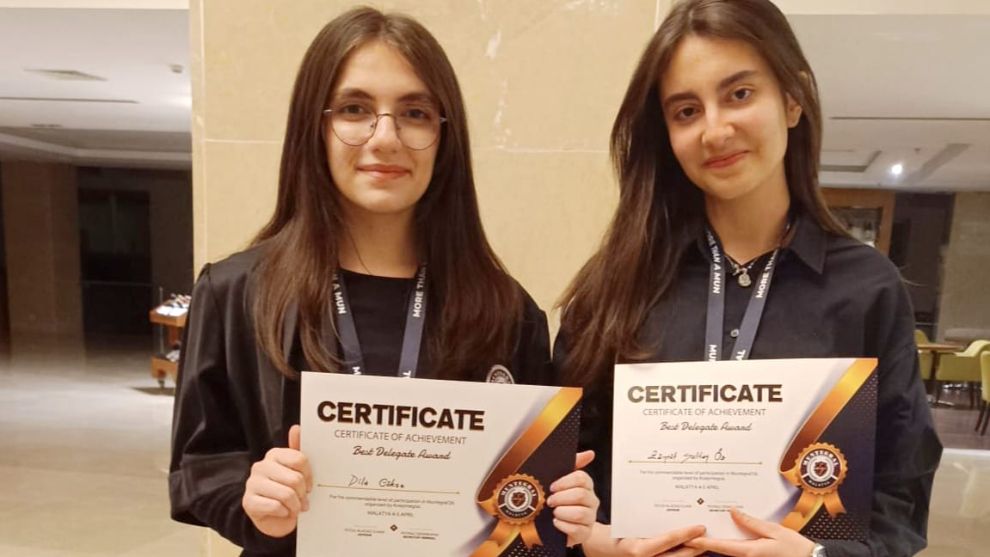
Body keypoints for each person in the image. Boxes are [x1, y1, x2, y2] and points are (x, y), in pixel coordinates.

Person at [169, 7, 598, 556]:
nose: (386, 137)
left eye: (415, 113)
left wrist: (564, 506)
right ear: (314, 127)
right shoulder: (235, 293)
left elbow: (523, 508)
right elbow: (201, 463)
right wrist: (253, 503)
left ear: (444, 136)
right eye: (355, 109)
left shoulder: (507, 312)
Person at [554, 1, 941, 556]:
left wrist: (815, 556)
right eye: (686, 111)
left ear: (792, 99)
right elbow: (558, 481)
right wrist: (597, 541)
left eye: (739, 94)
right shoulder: (613, 289)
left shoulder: (867, 289)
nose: (715, 130)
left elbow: (901, 496)